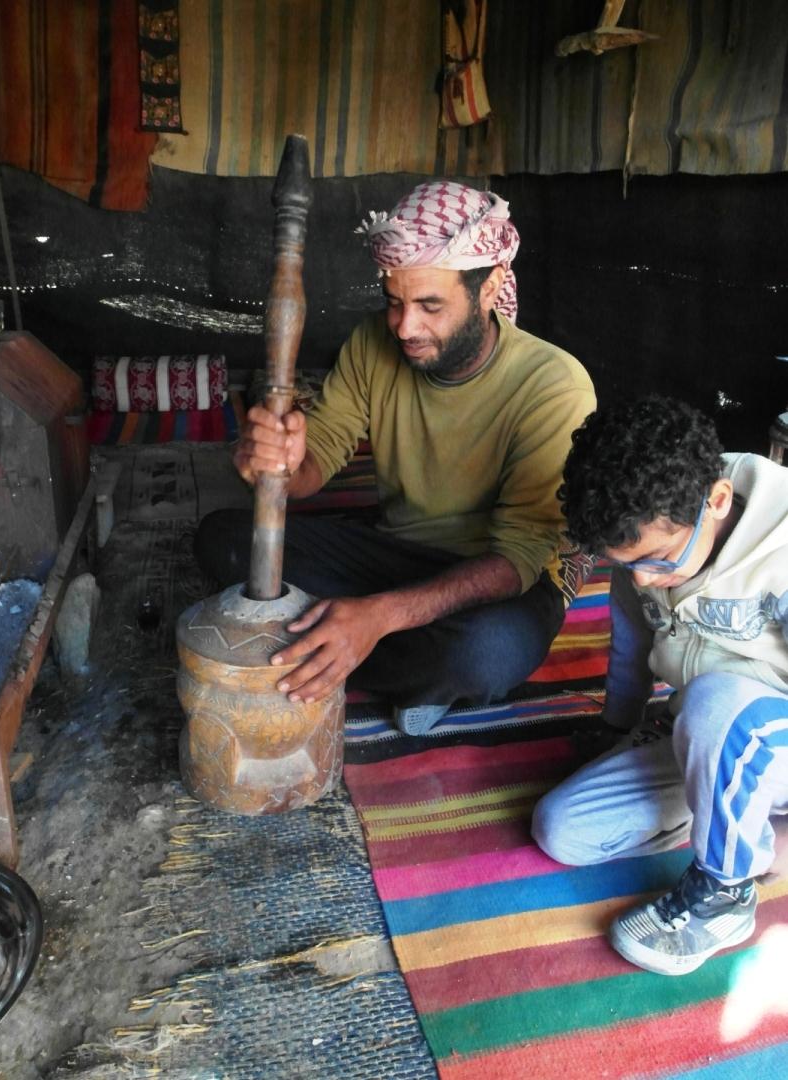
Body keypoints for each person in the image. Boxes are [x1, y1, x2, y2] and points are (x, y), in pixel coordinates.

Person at [195, 181, 595, 734]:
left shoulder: (554, 385)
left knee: (490, 652)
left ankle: (348, 645)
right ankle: (392, 662)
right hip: (394, 554)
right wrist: (279, 464)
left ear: (489, 287)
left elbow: (518, 560)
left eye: (431, 305)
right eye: (394, 302)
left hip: (494, 578)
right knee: (223, 539)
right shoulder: (370, 344)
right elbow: (319, 459)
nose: (405, 327)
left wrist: (380, 616)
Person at [531, 395, 788, 976]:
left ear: (717, 501)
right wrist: (616, 728)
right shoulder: (645, 538)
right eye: (625, 564)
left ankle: (725, 894)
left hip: (759, 735)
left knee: (716, 706)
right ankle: (730, 819)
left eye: (657, 559)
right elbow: (633, 649)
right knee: (562, 830)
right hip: (710, 736)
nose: (642, 578)